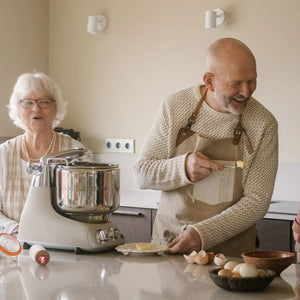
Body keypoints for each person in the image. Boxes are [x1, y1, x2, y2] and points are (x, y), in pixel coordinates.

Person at [134, 38, 278, 256]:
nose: (247, 92)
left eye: (252, 81)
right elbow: (142, 173)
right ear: (209, 81)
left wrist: (202, 234)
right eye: (236, 83)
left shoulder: (263, 123)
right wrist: (182, 168)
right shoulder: (175, 107)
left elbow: (257, 202)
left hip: (230, 258)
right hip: (171, 248)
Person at [0, 72, 92, 235]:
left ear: (55, 108)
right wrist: (15, 229)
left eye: (44, 102)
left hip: (63, 244)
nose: (36, 108)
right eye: (28, 102)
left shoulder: (76, 153)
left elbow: (85, 210)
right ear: (18, 109)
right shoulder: (4, 154)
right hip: (12, 246)